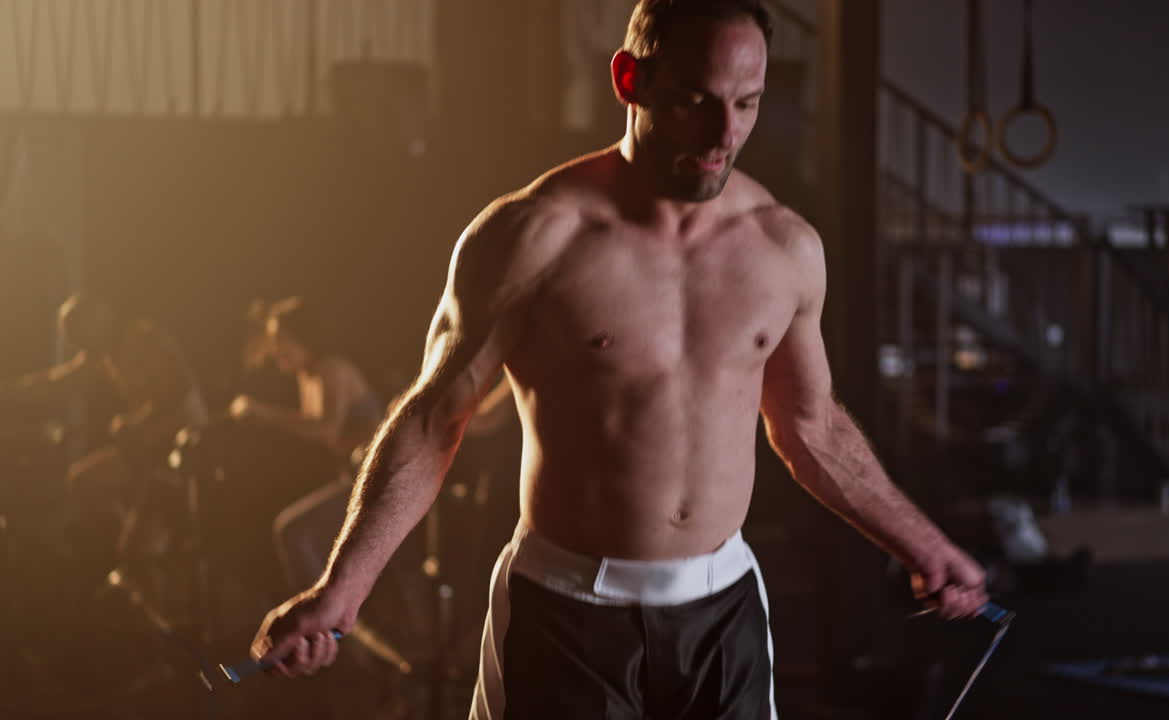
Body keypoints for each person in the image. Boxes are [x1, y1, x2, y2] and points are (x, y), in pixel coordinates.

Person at [249, 2, 989, 718]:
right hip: (568, 614)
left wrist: (924, 545)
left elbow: (811, 426)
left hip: (722, 608)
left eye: (747, 103)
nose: (722, 132)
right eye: (696, 101)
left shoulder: (785, 248)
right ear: (628, 80)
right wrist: (340, 591)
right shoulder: (531, 237)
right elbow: (431, 418)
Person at [0, 295, 208, 515]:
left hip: (185, 444)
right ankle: (136, 528)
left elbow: (180, 389)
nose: (74, 341)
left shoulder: (143, 338)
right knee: (83, 482)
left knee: (90, 485)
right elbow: (54, 383)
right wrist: (7, 391)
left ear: (100, 317)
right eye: (70, 335)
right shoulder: (102, 356)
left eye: (76, 329)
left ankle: (157, 532)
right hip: (147, 447)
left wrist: (138, 420)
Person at [229, 297, 385, 589]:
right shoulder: (307, 375)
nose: (275, 349)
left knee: (293, 531)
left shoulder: (332, 369)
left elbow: (326, 430)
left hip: (373, 481)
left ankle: (326, 620)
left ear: (304, 337)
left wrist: (263, 414)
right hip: (349, 478)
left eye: (281, 339)